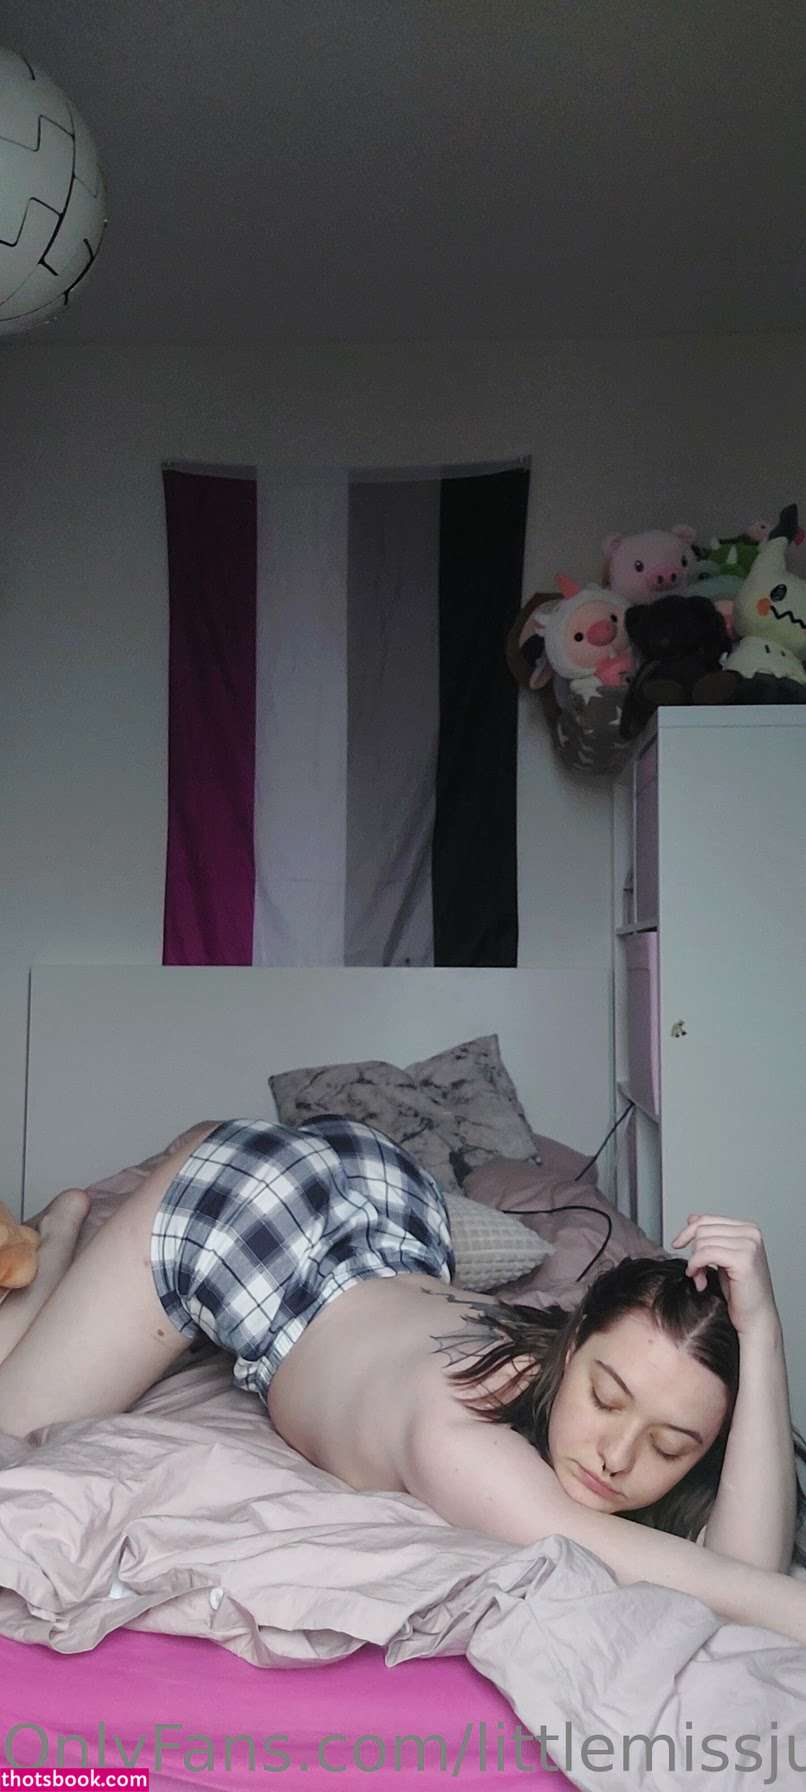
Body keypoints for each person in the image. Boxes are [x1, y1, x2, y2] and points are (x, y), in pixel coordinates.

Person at [1, 1116, 805, 1648]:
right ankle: (64, 1230)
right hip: (252, 1208)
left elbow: (751, 1568)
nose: (617, 1457)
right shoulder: (459, 1438)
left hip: (394, 1204)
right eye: (605, 1398)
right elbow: (744, 1593)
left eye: (671, 1446)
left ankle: (157, 1179)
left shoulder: (568, 1363)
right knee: (12, 1420)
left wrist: (764, 1331)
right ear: (574, 1345)